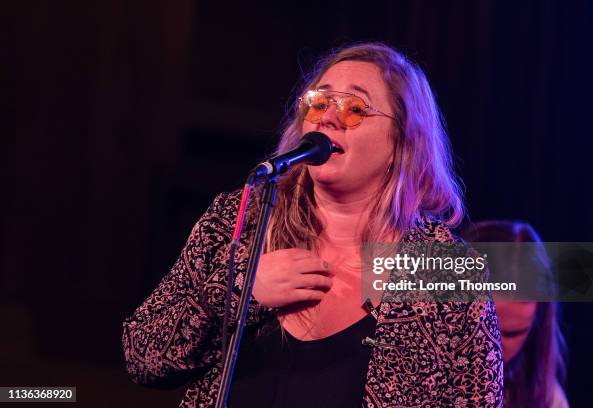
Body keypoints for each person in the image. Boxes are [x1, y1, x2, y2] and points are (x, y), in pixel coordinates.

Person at [122, 42, 503, 407]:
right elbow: (143, 357)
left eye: (355, 108)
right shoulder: (241, 221)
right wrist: (240, 289)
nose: (328, 116)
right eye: (319, 102)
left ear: (402, 142)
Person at [462, 220, 568, 408]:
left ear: (537, 325)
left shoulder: (547, 398)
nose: (493, 350)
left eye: (511, 334)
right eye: (480, 329)